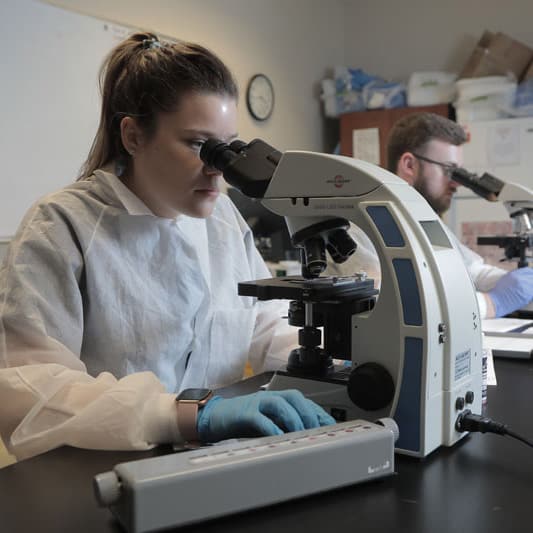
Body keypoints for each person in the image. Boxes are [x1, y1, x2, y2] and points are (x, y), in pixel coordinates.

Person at [0, 33, 334, 460]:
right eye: (199, 145)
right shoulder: (62, 226)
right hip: (100, 467)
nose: (220, 169)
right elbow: (32, 393)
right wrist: (182, 415)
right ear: (134, 136)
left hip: (215, 458)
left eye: (228, 147)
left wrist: (327, 363)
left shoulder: (225, 219)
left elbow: (265, 325)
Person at [327, 112, 533, 319]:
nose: (457, 183)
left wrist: (521, 284)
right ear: (409, 165)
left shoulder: (427, 222)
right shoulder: (361, 228)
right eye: (449, 171)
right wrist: (493, 303)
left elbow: (471, 271)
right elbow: (394, 305)